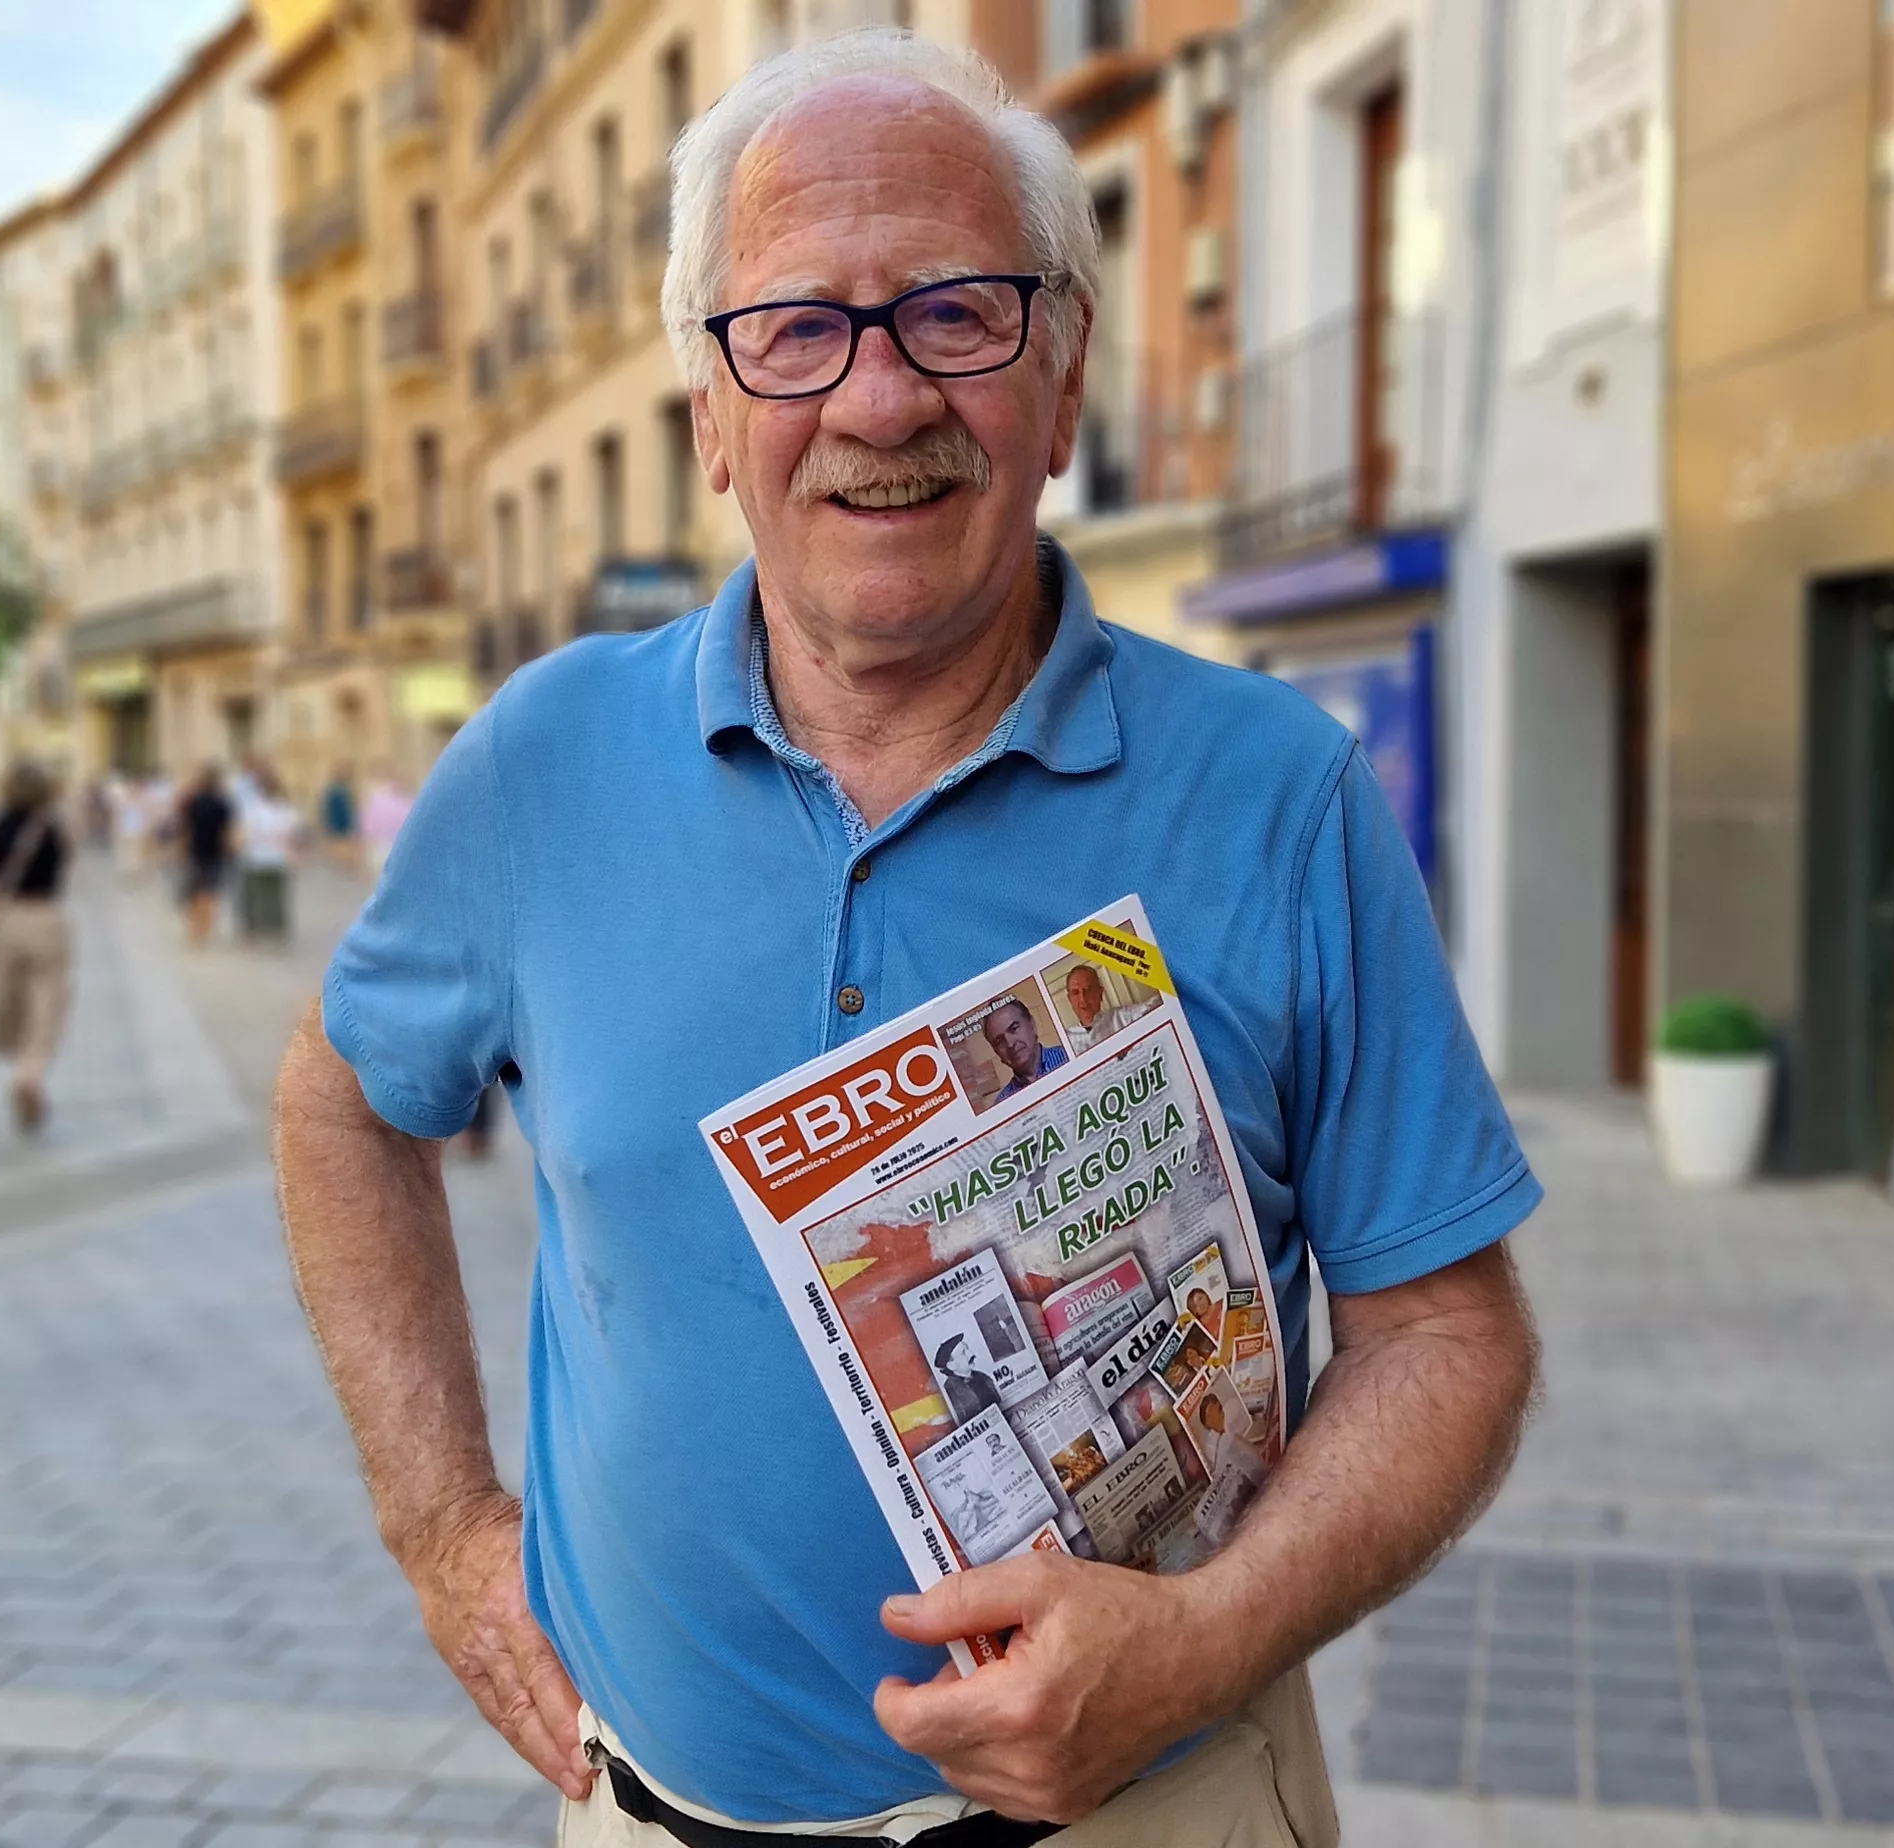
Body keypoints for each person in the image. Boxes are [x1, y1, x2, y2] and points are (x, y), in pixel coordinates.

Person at [276, 35, 1538, 1847]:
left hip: (1156, 1804)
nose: (878, 400)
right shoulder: (541, 761)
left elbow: (1448, 1337)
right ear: (710, 410)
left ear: (1066, 373)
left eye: (958, 312)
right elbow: (342, 1103)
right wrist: (443, 1528)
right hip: (651, 1813)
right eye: (796, 328)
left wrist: (1206, 1636)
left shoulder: (1281, 796)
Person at [0, 761, 74, 1135]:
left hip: (6, 919)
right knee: (48, 998)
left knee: (11, 999)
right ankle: (31, 1071)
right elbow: (69, 864)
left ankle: (20, 1068)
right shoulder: (56, 827)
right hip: (47, 917)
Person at [236, 759, 301, 947]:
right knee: (277, 895)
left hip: (257, 857)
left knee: (258, 894)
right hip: (278, 857)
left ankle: (259, 927)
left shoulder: (253, 809)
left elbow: (244, 833)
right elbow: (294, 833)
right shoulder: (285, 809)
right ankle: (277, 928)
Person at [177, 763, 236, 946]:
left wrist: (182, 850)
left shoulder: (193, 802)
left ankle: (195, 927)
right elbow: (227, 832)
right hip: (215, 853)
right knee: (210, 892)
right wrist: (229, 852)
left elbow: (185, 828)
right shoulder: (223, 804)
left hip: (196, 851)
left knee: (195, 891)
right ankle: (206, 927)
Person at [977, 999, 1062, 1100]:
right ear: (996, 1052)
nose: (1010, 1044)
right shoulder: (1004, 1102)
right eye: (999, 1041)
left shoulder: (1070, 1054)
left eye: (1014, 1028)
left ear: (1032, 1025)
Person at [357, 765, 414, 880]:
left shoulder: (375, 799)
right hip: (401, 847)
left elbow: (368, 828)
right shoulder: (410, 801)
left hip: (381, 847)